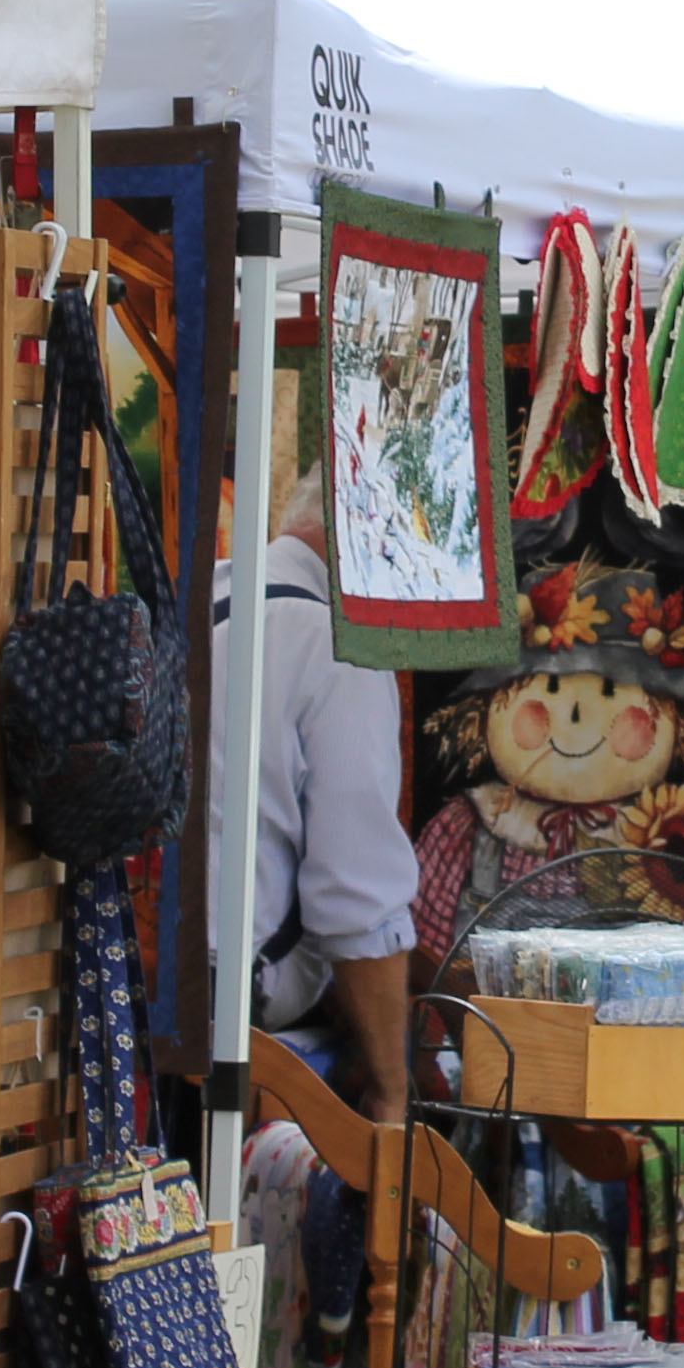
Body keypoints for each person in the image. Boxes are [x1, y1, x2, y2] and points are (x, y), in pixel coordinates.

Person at [226, 471, 417, 1118]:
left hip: (129, 990)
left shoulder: (206, 594)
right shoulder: (339, 646)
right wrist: (392, 1090)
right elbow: (357, 902)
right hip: (237, 1026)